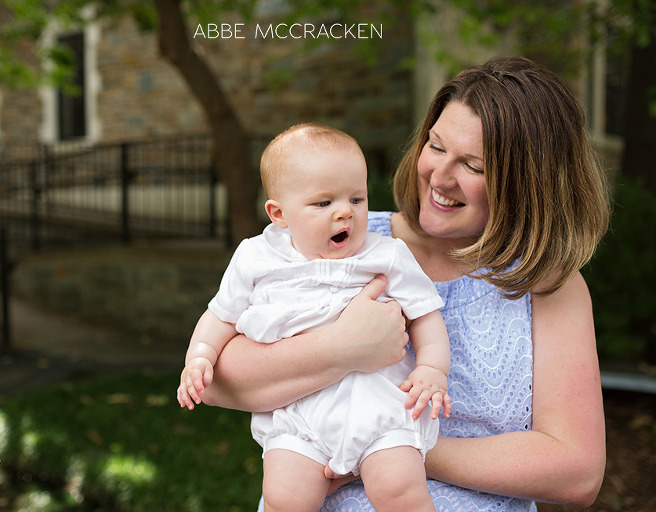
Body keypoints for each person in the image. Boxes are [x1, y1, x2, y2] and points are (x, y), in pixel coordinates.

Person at [200, 56, 610, 511]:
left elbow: (577, 471)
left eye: (473, 166)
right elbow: (216, 380)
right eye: (436, 146)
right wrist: (339, 349)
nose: (439, 176)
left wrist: (384, 445)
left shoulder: (547, 284)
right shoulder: (335, 241)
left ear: (526, 183)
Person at [177, 122, 452, 511]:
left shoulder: (385, 255)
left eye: (356, 199)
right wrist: (200, 356)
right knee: (283, 497)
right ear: (279, 213)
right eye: (324, 203)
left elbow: (425, 314)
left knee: (400, 490)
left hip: (378, 407)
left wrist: (433, 369)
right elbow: (220, 316)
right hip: (299, 414)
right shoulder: (256, 258)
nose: (345, 213)